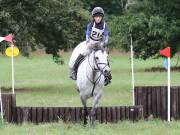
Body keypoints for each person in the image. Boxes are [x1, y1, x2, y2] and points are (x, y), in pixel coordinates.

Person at [70, 7, 109, 81]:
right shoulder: (90, 25)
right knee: (83, 54)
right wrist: (88, 42)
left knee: (104, 57)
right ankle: (74, 71)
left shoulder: (105, 25)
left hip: (100, 45)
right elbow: (88, 34)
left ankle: (107, 76)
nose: (98, 18)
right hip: (91, 44)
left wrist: (104, 43)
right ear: (94, 17)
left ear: (102, 17)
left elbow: (106, 35)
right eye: (96, 17)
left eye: (99, 17)